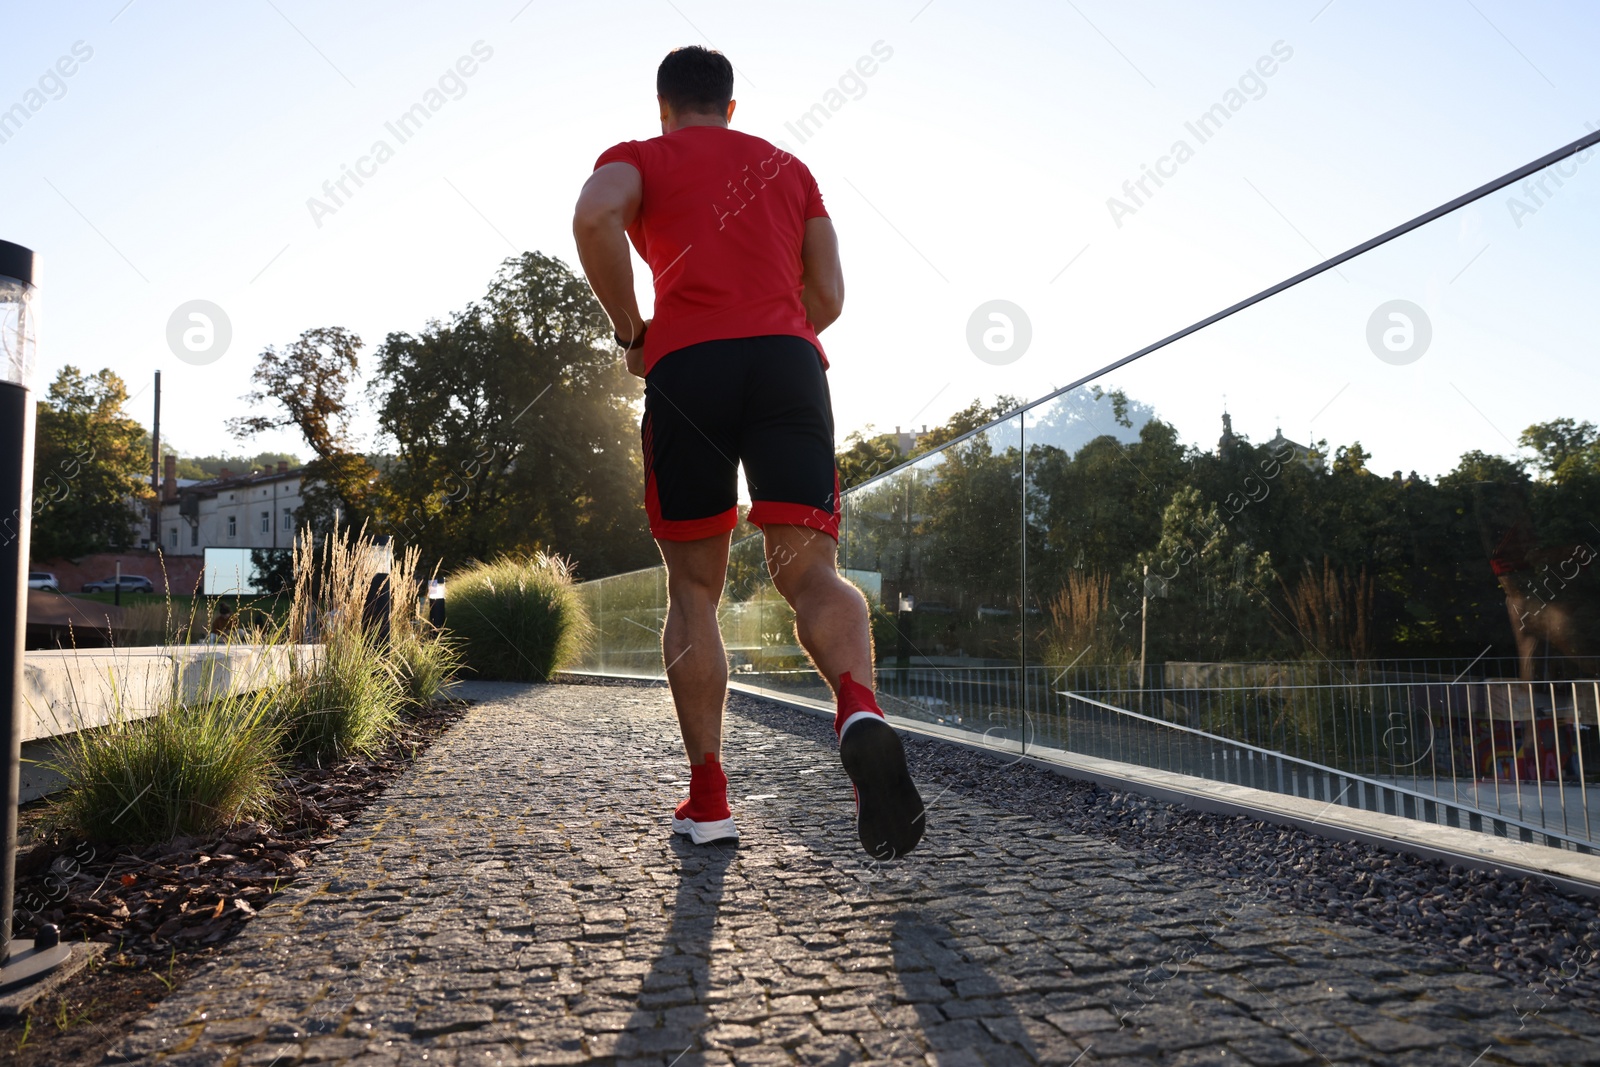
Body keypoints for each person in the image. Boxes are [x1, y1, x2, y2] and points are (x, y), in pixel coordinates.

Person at [572, 46, 924, 859]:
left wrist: (634, 333)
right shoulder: (789, 168)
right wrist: (773, 326)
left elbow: (595, 217)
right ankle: (859, 705)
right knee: (813, 573)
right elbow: (829, 296)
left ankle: (709, 799)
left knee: (694, 587)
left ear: (664, 107)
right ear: (730, 107)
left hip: (688, 368)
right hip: (787, 366)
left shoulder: (640, 156)